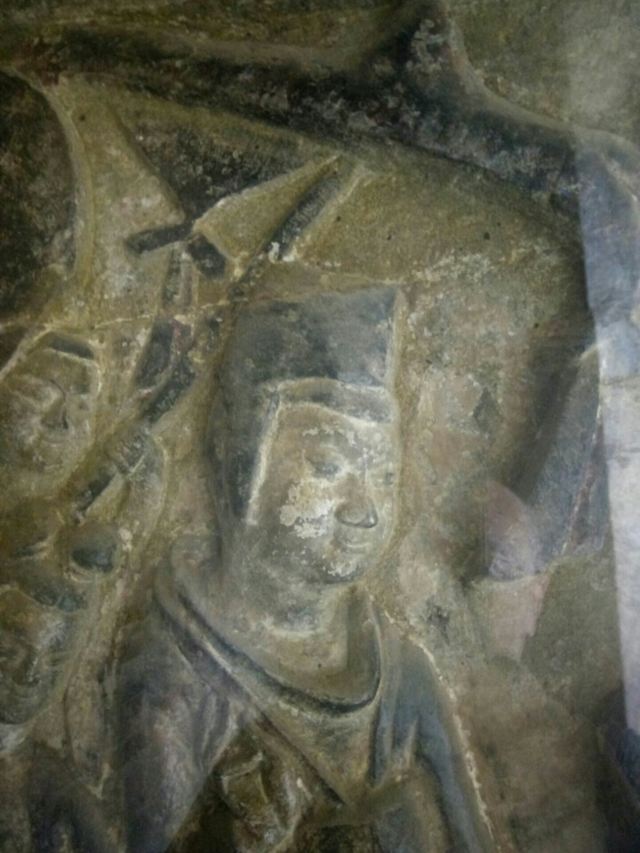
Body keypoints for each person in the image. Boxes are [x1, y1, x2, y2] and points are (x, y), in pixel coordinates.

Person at [118, 286, 495, 852]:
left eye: (384, 476)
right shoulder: (174, 678)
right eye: (327, 465)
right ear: (244, 465)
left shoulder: (401, 674)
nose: (364, 509)